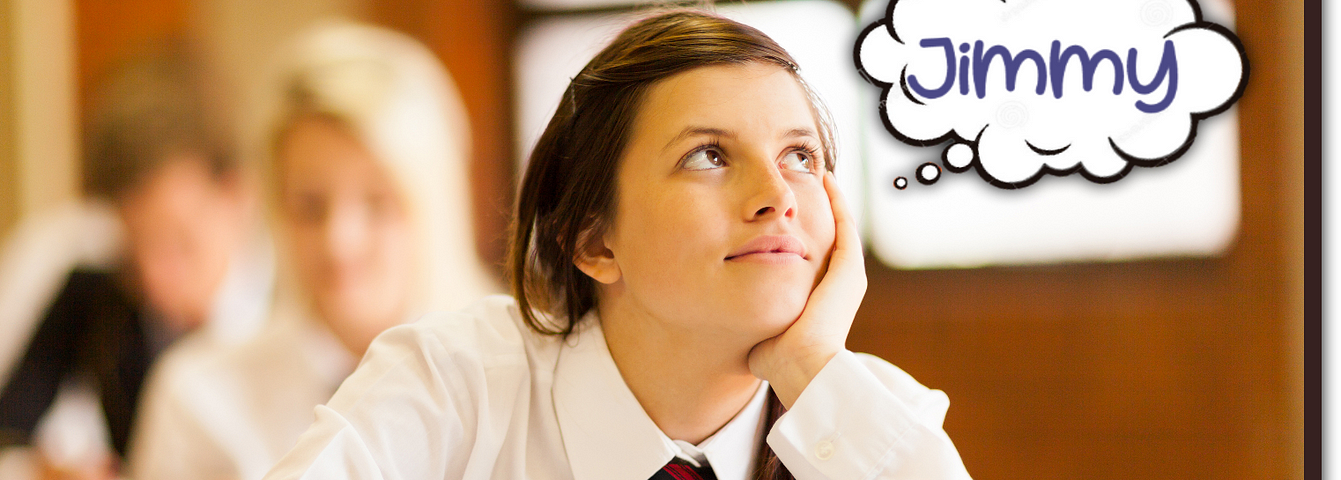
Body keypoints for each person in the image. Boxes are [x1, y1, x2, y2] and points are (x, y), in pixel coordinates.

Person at [262, 10, 970, 480]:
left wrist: (813, 365)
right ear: (594, 240)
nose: (777, 196)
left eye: (801, 157)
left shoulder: (866, 414)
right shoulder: (458, 385)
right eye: (709, 157)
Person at [127, 21, 497, 480]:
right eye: (309, 207)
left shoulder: (513, 379)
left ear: (435, 203)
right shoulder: (198, 396)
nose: (339, 242)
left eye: (378, 204)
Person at [0, 41, 274, 480]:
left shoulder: (294, 313)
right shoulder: (98, 295)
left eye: (179, 244)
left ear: (237, 195)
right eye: (134, 247)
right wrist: (35, 473)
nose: (155, 279)